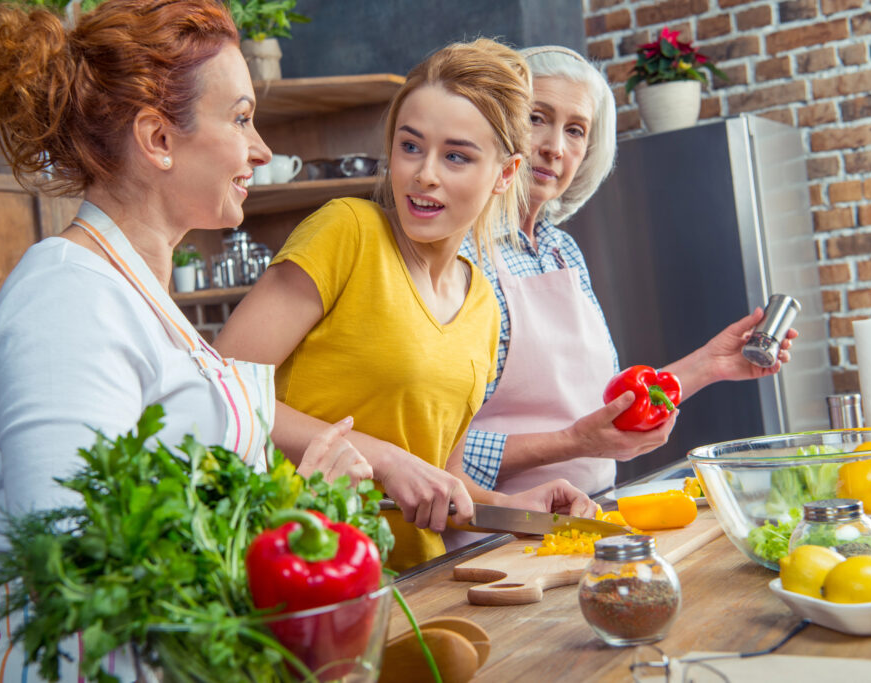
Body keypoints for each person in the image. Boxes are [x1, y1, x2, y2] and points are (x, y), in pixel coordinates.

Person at [0, 1, 370, 680]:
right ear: (158, 139)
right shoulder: (67, 296)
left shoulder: (134, 294)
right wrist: (292, 514)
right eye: (241, 118)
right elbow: (74, 570)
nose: (262, 150)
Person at [215, 38, 597, 572]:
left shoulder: (483, 305)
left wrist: (512, 507)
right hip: (301, 568)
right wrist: (385, 460)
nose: (425, 174)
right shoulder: (347, 232)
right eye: (410, 146)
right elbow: (218, 389)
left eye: (456, 156)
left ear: (506, 174)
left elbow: (442, 480)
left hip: (417, 581)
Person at [458, 45, 797, 500]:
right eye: (537, 118)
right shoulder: (462, 251)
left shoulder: (562, 251)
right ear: (499, 124)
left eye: (575, 130)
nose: (554, 147)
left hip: (586, 516)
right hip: (493, 537)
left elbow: (609, 406)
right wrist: (575, 443)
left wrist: (709, 365)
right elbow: (435, 451)